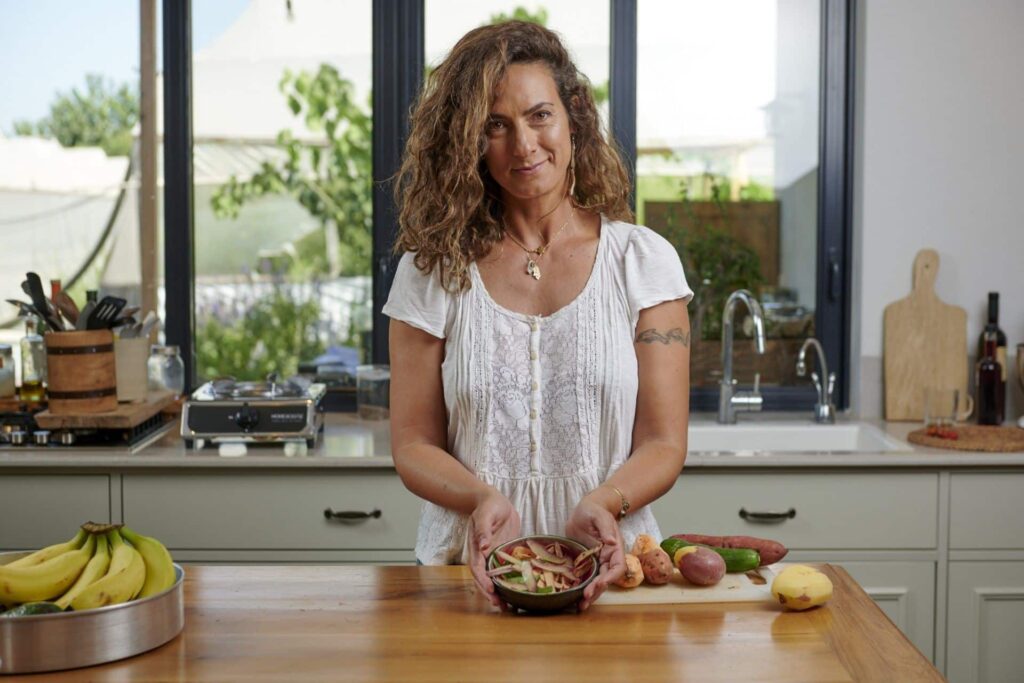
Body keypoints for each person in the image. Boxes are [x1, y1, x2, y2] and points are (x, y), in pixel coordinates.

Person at [384, 20, 692, 611]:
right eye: (495, 126)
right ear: (468, 142)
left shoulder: (643, 262)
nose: (523, 144)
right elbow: (414, 443)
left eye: (539, 116)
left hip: (611, 569)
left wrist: (606, 502)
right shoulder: (432, 271)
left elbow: (662, 441)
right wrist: (479, 499)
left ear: (573, 117)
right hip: (465, 575)